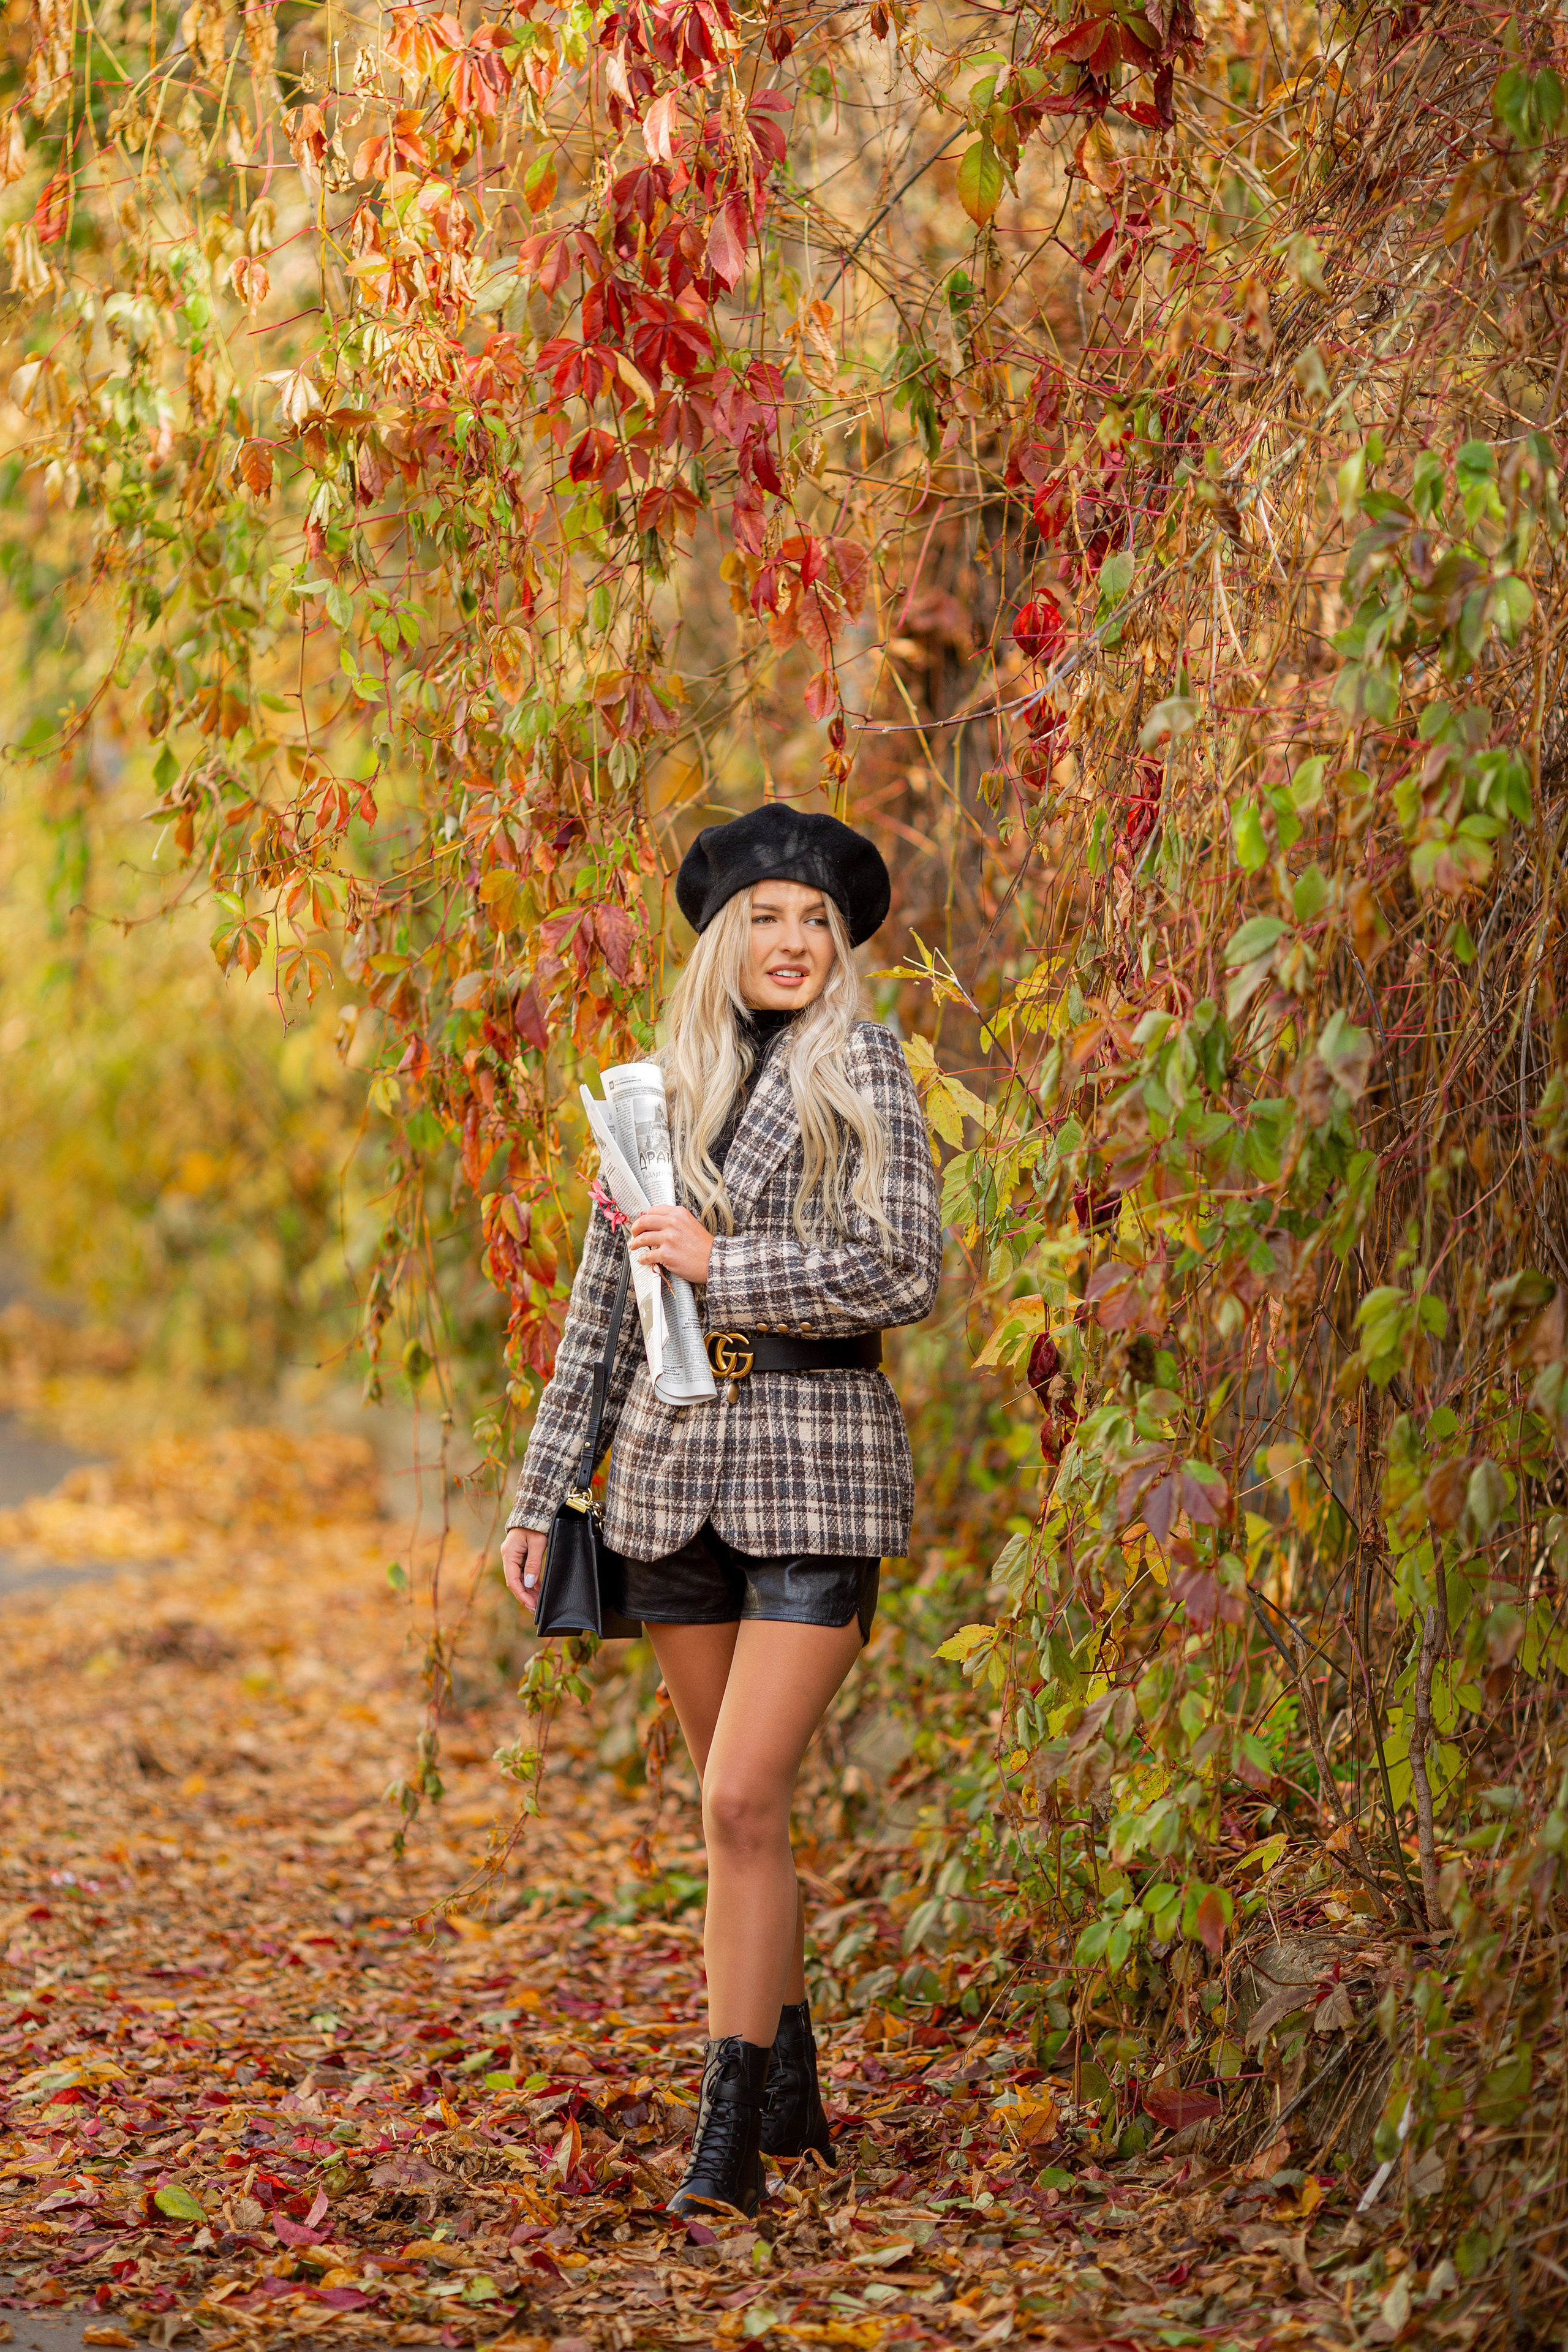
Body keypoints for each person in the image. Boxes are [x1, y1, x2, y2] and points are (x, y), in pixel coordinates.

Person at [500, 805, 943, 2217]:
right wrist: (540, 1489)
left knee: (743, 1792)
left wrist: (721, 1261)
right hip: (668, 1476)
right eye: (766, 917)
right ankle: (791, 2083)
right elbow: (597, 1320)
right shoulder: (651, 1098)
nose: (794, 941)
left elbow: (904, 1273)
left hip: (817, 1467)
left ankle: (724, 2139)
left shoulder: (864, 1068)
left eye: (815, 920)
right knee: (734, 1822)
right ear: (719, 940)